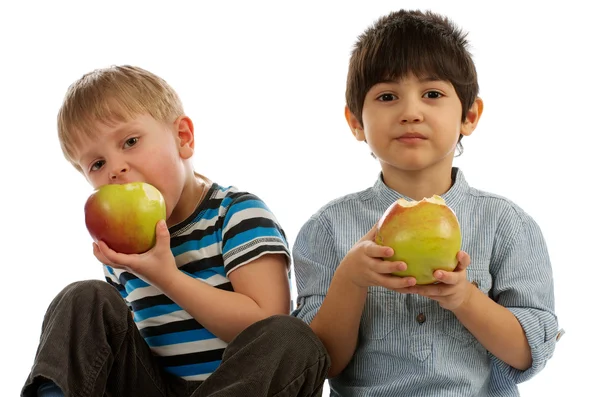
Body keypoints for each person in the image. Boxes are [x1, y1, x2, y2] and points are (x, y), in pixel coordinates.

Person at [292, 9, 562, 397]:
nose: (410, 113)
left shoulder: (506, 224)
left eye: (432, 94)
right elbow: (322, 361)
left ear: (469, 115)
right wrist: (351, 279)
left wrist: (464, 297)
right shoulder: (327, 229)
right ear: (356, 122)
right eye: (387, 96)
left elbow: (528, 352)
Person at [22, 65, 329, 397]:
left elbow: (265, 324)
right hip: (154, 388)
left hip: (236, 387)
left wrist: (166, 277)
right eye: (97, 164)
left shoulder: (235, 214)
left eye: (130, 141)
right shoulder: (120, 246)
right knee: (85, 297)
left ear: (183, 138)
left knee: (293, 337)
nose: (116, 169)